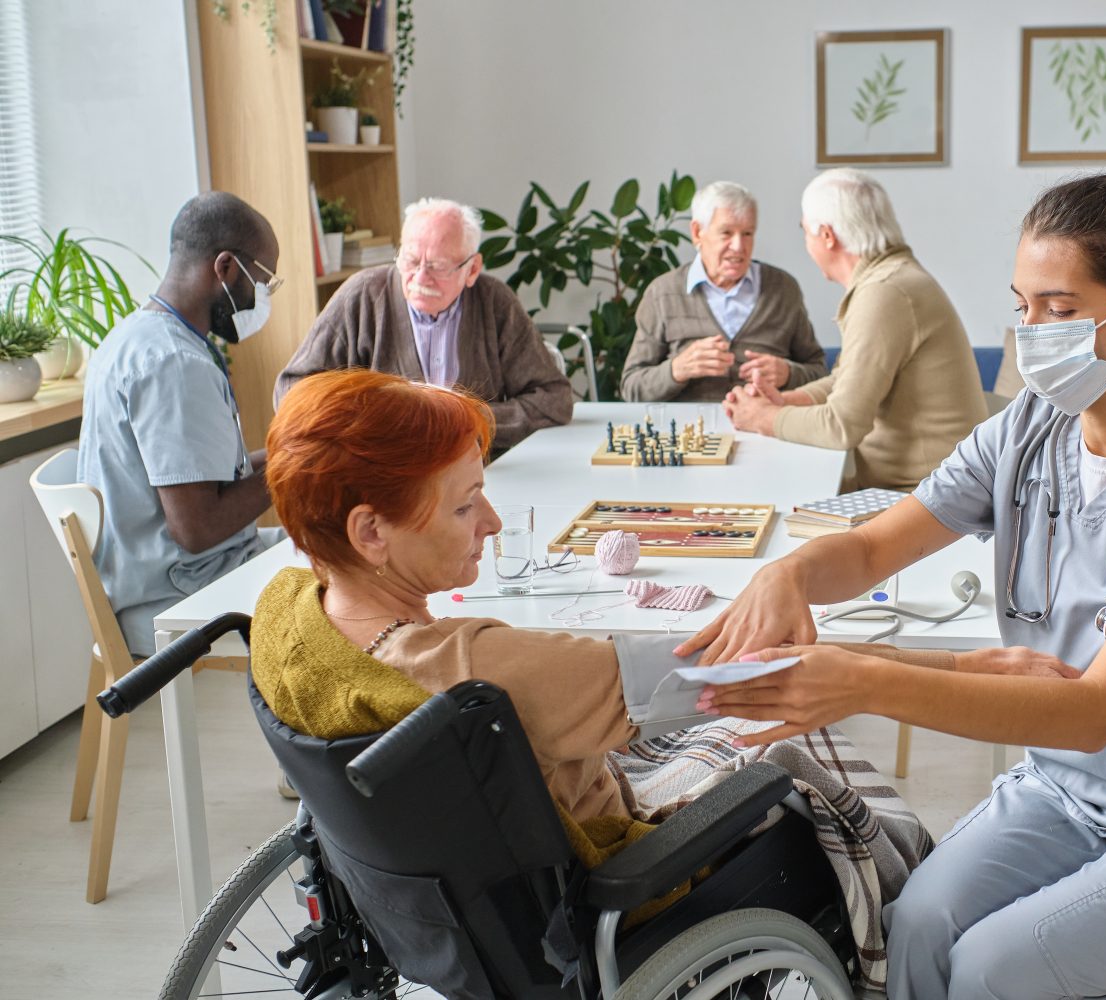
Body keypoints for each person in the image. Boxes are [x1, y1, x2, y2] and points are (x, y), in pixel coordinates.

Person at [680, 169, 1106, 1000]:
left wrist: (863, 682)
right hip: (1065, 794)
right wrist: (791, 572)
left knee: (990, 970)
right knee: (911, 925)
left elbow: (1094, 711)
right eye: (1023, 307)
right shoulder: (1027, 432)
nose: (1032, 332)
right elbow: (876, 549)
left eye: (1060, 309)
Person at [252, 368, 935, 989]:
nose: (490, 524)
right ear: (371, 533)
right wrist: (945, 669)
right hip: (622, 894)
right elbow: (725, 675)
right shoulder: (475, 675)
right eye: (465, 506)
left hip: (450, 912)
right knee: (794, 748)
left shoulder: (295, 626)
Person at [78, 191, 281, 657]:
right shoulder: (175, 364)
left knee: (336, 545)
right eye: (264, 279)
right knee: (354, 577)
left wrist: (285, 451)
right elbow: (198, 528)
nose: (264, 296)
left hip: (149, 573)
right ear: (226, 268)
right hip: (175, 591)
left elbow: (201, 481)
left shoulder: (136, 335)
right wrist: (300, 462)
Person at [723, 168, 987, 492]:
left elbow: (840, 426)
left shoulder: (886, 292)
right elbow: (847, 380)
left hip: (923, 498)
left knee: (775, 507)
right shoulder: (892, 280)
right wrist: (785, 401)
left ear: (827, 236)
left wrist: (762, 418)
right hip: (916, 489)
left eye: (805, 231)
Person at [274, 197, 571, 455]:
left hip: (479, 479)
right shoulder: (362, 296)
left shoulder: (494, 302)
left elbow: (553, 399)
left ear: (472, 269)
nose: (420, 277)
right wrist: (374, 423)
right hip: (380, 480)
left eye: (438, 267)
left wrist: (469, 421)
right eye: (411, 260)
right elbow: (291, 391)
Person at [620, 180, 827, 402]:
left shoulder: (783, 288)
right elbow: (632, 388)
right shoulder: (663, 293)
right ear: (698, 232)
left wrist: (788, 373)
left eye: (747, 233)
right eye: (726, 233)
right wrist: (676, 370)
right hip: (690, 433)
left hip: (765, 430)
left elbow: (820, 373)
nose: (738, 246)